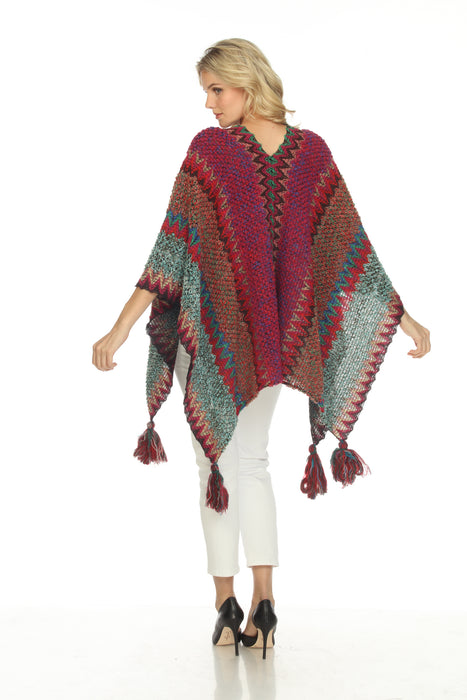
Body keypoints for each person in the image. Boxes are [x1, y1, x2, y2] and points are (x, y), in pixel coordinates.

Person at [92, 38, 431, 659]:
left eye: (215, 89)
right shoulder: (310, 153)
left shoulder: (213, 153)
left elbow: (170, 249)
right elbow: (351, 250)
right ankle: (265, 605)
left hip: (216, 337)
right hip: (272, 338)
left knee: (215, 466)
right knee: (252, 463)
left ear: (246, 84)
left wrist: (118, 330)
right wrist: (403, 318)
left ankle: (226, 606)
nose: (208, 104)